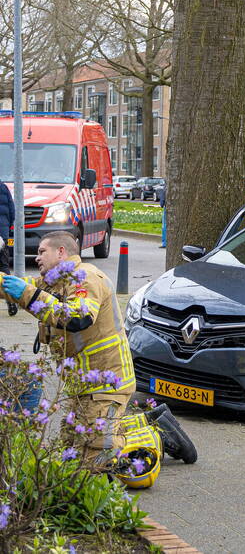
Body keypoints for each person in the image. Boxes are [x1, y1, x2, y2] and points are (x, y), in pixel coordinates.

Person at [0, 231, 196, 486]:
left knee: (93, 464)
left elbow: (77, 317)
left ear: (61, 252)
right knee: (70, 454)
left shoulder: (87, 278)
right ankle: (139, 423)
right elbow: (22, 287)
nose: (36, 258)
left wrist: (29, 294)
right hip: (83, 387)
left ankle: (155, 434)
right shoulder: (54, 282)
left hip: (107, 383)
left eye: (41, 252)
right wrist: (14, 287)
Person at [0, 182, 17, 316]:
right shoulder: (3, 187)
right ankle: (11, 301)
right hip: (2, 234)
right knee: (4, 267)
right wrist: (6, 229)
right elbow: (12, 211)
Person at [157, 183, 167, 248]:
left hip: (167, 207)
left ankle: (164, 243)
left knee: (164, 226)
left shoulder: (165, 187)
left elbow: (162, 198)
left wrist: (162, 204)